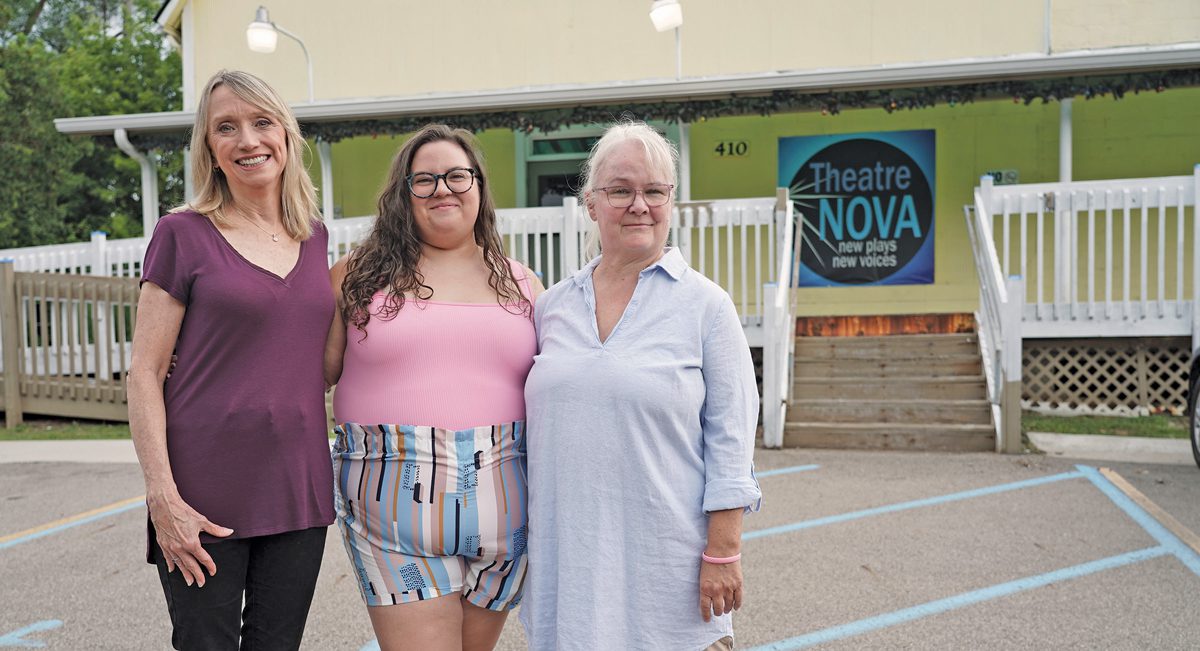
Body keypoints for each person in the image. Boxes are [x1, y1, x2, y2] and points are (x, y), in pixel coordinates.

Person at [520, 121, 762, 650]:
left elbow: (732, 442)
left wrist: (724, 553)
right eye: (620, 191)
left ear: (671, 202)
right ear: (591, 203)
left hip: (669, 575)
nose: (639, 205)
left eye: (655, 191)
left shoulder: (706, 306)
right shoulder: (553, 307)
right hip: (568, 568)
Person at [125, 69, 335, 650]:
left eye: (262, 122)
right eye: (226, 127)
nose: (248, 140)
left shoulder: (314, 237)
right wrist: (162, 497)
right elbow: (144, 372)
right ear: (209, 147)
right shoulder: (182, 234)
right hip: (201, 492)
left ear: (286, 135)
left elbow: (322, 359)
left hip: (298, 486)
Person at [324, 124, 543, 651]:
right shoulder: (355, 276)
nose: (442, 188)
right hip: (392, 514)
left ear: (479, 186)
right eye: (424, 180)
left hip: (506, 522)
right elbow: (305, 371)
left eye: (456, 176)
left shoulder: (523, 283)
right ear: (403, 194)